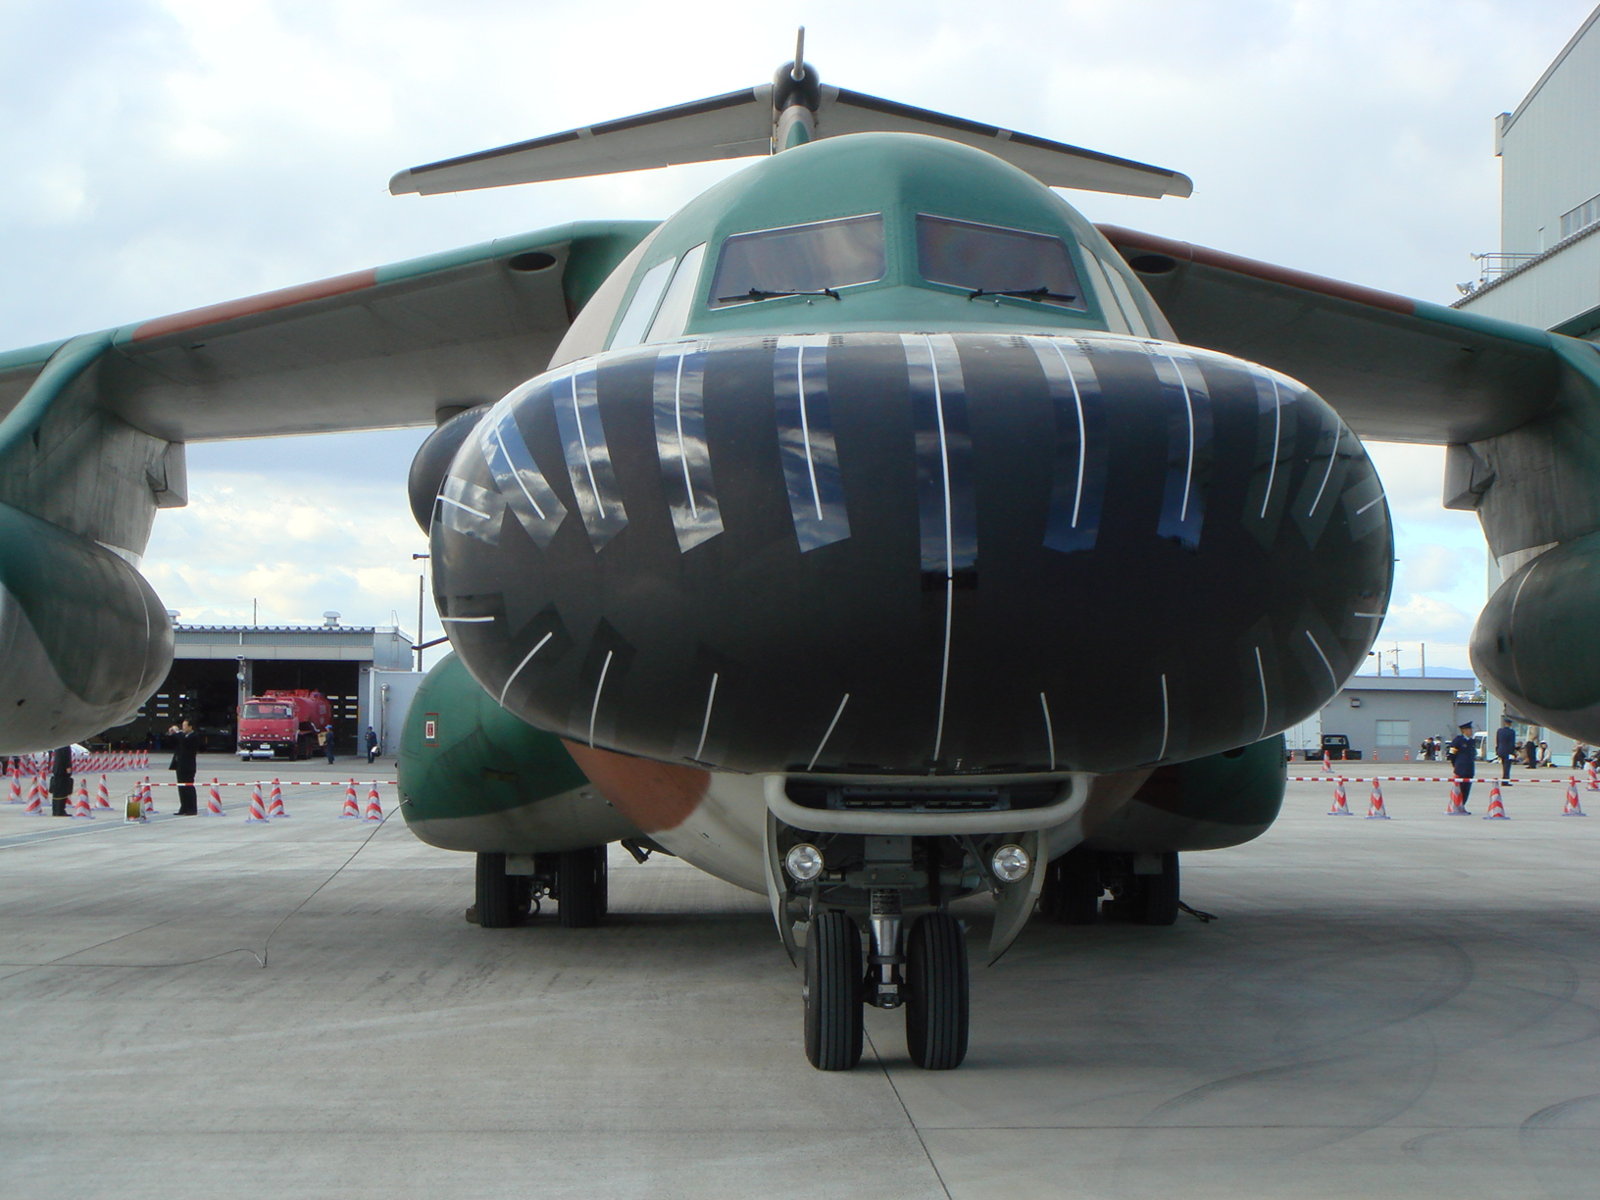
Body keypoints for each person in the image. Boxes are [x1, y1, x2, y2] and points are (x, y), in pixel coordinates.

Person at [167, 719, 200, 815]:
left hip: (188, 766)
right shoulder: (182, 736)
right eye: (182, 726)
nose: (183, 728)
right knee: (181, 787)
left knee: (188, 787)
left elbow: (185, 742)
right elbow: (173, 741)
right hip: (179, 764)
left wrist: (177, 732)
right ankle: (184, 807)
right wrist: (171, 733)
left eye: (185, 726)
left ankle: (192, 808)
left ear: (190, 727)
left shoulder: (194, 736)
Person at [1448, 721, 1477, 811]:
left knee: (1467, 789)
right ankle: (1457, 806)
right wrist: (1455, 765)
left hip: (1469, 769)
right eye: (1469, 729)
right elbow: (1452, 754)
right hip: (1461, 769)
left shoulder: (1472, 741)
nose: (1471, 731)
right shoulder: (1458, 740)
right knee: (1459, 788)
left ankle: (1462, 805)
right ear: (1464, 730)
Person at [1496, 717, 1517, 784]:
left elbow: (1497, 741)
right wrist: (1513, 752)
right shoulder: (1512, 732)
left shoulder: (1499, 731)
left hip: (1501, 750)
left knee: (1504, 766)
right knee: (1507, 767)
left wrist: (1497, 750)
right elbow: (1512, 743)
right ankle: (1505, 781)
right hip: (1508, 752)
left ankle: (1504, 779)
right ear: (1510, 724)